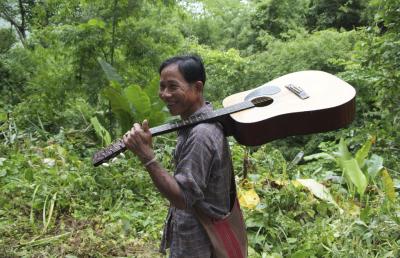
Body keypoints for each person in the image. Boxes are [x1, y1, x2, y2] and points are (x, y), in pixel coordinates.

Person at [123, 55, 242, 257]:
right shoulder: (193, 124)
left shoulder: (201, 133)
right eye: (162, 87)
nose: (164, 94)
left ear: (197, 88)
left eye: (173, 86)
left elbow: (183, 198)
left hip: (199, 243)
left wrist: (147, 157)